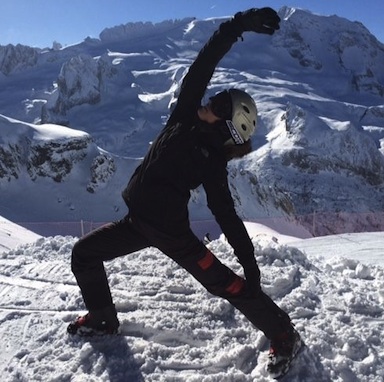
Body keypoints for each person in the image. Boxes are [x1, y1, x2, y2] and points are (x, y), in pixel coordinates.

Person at [68, 7, 302, 378]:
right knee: (83, 254)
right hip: (137, 223)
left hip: (174, 236)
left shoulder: (212, 162)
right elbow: (205, 61)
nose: (213, 100)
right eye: (220, 97)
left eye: (222, 105)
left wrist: (250, 262)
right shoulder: (184, 115)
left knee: (229, 285)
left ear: (229, 127)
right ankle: (102, 320)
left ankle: (284, 335)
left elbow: (226, 214)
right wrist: (238, 24)